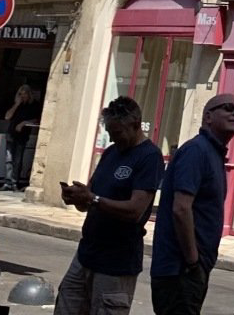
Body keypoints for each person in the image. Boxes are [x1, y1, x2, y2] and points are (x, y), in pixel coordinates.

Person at [56, 97, 165, 315]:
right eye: (110, 133)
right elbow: (90, 200)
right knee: (66, 305)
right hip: (86, 254)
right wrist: (77, 198)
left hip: (117, 261)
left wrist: (93, 199)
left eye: (118, 133)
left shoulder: (149, 157)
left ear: (135, 125)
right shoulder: (110, 153)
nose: (114, 139)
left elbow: (135, 210)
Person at [150, 92, 234, 315]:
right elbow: (181, 208)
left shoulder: (214, 153)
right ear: (208, 117)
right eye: (228, 107)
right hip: (179, 270)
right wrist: (193, 260)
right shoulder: (196, 151)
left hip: (192, 270)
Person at [1, 83, 43, 191]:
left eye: (25, 94)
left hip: (23, 135)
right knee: (8, 159)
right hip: (11, 134)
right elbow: (7, 116)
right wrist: (16, 104)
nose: (23, 96)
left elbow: (36, 119)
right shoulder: (16, 104)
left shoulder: (34, 105)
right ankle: (7, 182)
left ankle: (14, 182)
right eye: (21, 94)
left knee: (18, 160)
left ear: (29, 95)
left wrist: (24, 123)